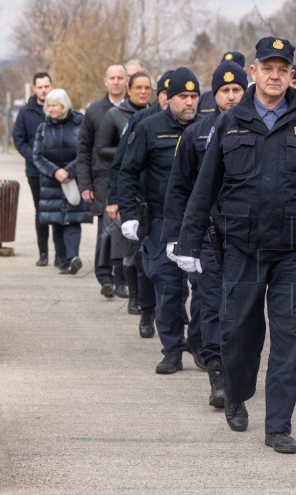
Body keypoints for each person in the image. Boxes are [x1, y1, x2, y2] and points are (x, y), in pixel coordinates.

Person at [173, 37, 296, 454]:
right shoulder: (230, 122)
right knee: (239, 334)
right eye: (267, 67)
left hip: (293, 250)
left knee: (287, 339)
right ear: (253, 72)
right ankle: (236, 393)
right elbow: (204, 187)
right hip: (242, 248)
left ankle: (279, 425)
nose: (274, 75)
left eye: (282, 69)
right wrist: (187, 241)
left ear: (292, 75)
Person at [164, 60, 247, 409]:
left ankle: (237, 372)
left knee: (241, 311)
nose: (230, 97)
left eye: (236, 90)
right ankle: (217, 375)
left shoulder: (260, 130)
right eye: (224, 91)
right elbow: (179, 190)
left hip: (248, 238)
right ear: (215, 95)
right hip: (210, 237)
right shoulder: (196, 133)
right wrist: (176, 237)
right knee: (211, 304)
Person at [118, 67, 202, 374]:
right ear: (168, 99)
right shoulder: (149, 128)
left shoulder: (206, 128)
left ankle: (197, 341)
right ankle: (172, 349)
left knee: (204, 289)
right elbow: (127, 172)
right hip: (159, 221)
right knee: (169, 289)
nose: (189, 102)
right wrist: (128, 214)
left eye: (194, 96)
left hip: (198, 222)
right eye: (183, 96)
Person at [104, 71, 170, 330]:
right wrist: (114, 199)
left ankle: (168, 313)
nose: (167, 99)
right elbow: (121, 164)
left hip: (174, 206)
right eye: (164, 94)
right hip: (143, 203)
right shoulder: (142, 121)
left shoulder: (191, 123)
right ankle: (145, 309)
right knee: (142, 260)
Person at [93, 71, 153, 310]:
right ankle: (120, 282)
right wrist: (129, 149)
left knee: (142, 244)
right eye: (138, 87)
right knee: (121, 238)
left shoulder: (157, 114)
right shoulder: (115, 115)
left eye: (147, 88)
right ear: (129, 90)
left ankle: (139, 290)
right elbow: (101, 149)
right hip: (123, 182)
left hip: (149, 187)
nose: (143, 92)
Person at [77, 64, 129, 299]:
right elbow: (84, 149)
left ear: (126, 81)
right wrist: (85, 184)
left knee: (125, 230)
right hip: (102, 178)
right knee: (106, 231)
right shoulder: (95, 110)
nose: (116, 82)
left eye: (120, 78)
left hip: (128, 179)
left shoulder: (135, 109)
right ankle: (104, 275)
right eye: (112, 78)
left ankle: (121, 279)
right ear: (105, 81)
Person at [32, 88, 92, 274]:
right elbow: (37, 156)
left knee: (72, 219)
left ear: (64, 105)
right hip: (51, 182)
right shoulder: (43, 129)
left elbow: (86, 151)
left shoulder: (80, 124)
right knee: (56, 221)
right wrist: (55, 171)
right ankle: (63, 260)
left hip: (73, 180)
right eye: (48, 106)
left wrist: (69, 170)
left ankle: (73, 257)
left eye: (54, 105)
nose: (50, 109)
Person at [12, 71, 53, 267]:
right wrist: (35, 158)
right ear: (34, 88)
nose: (44, 90)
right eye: (40, 87)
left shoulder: (58, 107)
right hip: (35, 171)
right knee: (42, 210)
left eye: (47, 86)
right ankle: (43, 253)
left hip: (58, 169)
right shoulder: (26, 112)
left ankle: (63, 255)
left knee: (60, 211)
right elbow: (19, 140)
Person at [198, 51, 245, 115]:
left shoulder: (253, 99)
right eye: (225, 90)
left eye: (236, 90)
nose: (231, 97)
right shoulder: (204, 98)